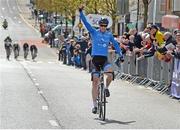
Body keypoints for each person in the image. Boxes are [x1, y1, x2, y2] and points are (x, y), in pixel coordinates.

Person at [79, 5, 124, 114]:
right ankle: (94, 105)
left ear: (106, 26)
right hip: (95, 60)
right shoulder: (94, 32)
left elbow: (116, 45)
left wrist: (120, 54)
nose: (103, 27)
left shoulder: (109, 35)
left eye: (105, 25)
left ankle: (106, 88)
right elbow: (85, 22)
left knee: (110, 74)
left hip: (104, 59)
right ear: (99, 25)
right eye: (101, 25)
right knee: (95, 81)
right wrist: (81, 12)